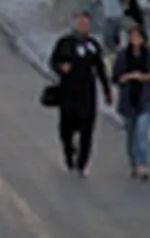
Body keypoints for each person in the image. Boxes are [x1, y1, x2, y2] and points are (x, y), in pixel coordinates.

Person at [47, 11, 112, 176]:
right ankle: (69, 153)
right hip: (68, 92)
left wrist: (107, 91)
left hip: (87, 93)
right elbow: (53, 61)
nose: (84, 26)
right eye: (81, 23)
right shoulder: (65, 43)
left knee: (87, 130)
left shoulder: (93, 45)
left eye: (86, 24)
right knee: (65, 129)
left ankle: (82, 164)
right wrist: (60, 68)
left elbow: (100, 69)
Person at [111, 23, 150, 180]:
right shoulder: (122, 55)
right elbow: (115, 77)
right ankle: (133, 163)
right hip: (128, 99)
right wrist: (126, 77)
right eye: (132, 36)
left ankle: (143, 164)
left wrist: (146, 77)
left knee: (142, 132)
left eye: (137, 36)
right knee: (131, 134)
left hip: (145, 98)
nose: (135, 39)